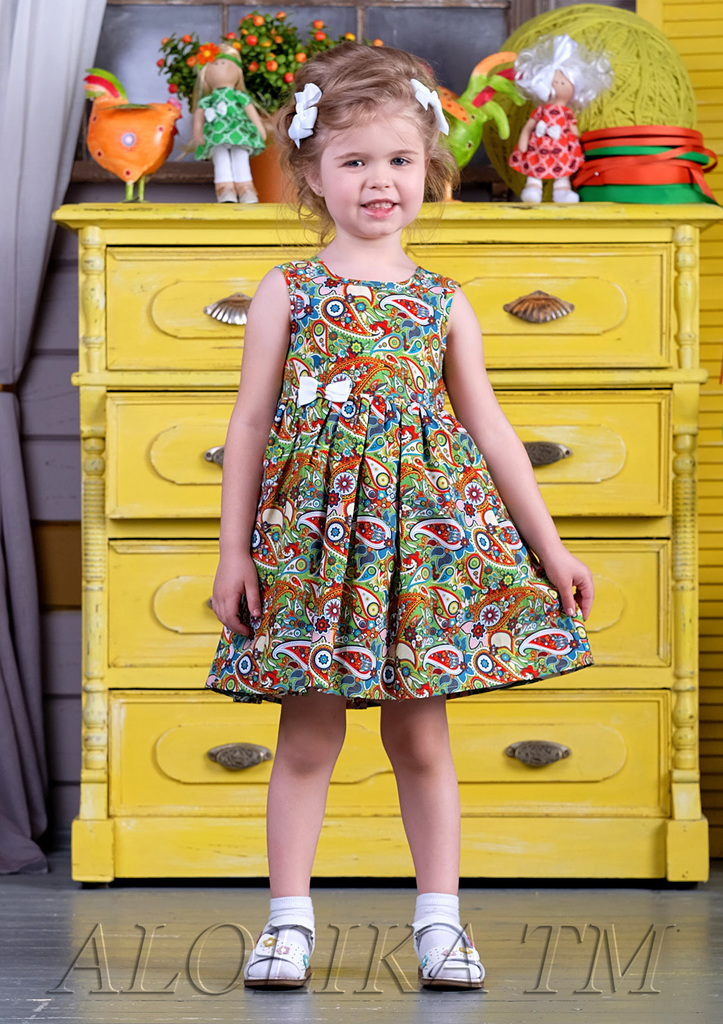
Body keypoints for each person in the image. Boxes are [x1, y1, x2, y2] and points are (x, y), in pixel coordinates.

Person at [205, 41, 595, 991]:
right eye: (353, 161)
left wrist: (550, 548)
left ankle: (439, 924)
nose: (379, 180)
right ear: (310, 174)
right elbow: (249, 424)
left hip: (418, 555)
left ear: (429, 170)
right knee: (307, 738)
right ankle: (286, 923)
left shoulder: (441, 301)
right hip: (312, 551)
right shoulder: (289, 290)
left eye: (398, 160)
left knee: (419, 739)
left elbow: (492, 432)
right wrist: (232, 554)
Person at [507, 33, 613, 202]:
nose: (557, 84)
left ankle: (562, 190)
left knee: (563, 169)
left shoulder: (567, 113)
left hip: (561, 147)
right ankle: (533, 187)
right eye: (554, 81)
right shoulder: (540, 110)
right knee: (535, 164)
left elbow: (574, 130)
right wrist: (523, 141)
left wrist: (576, 143)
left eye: (563, 83)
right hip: (539, 146)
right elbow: (529, 126)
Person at [192, 43, 267, 203]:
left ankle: (246, 189)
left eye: (223, 62)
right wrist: (198, 135)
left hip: (239, 133)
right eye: (215, 63)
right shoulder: (207, 101)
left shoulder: (239, 96)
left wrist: (260, 129)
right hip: (216, 136)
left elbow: (251, 112)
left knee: (241, 157)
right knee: (221, 160)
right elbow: (198, 118)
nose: (219, 65)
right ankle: (225, 190)